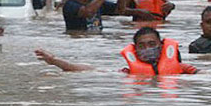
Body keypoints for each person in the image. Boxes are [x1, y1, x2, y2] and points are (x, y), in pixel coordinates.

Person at [35, 26, 198, 74]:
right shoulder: (128, 72)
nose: (147, 49)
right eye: (142, 46)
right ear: (134, 51)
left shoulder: (181, 69)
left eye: (151, 44)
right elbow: (89, 69)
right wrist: (54, 60)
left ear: (161, 46)